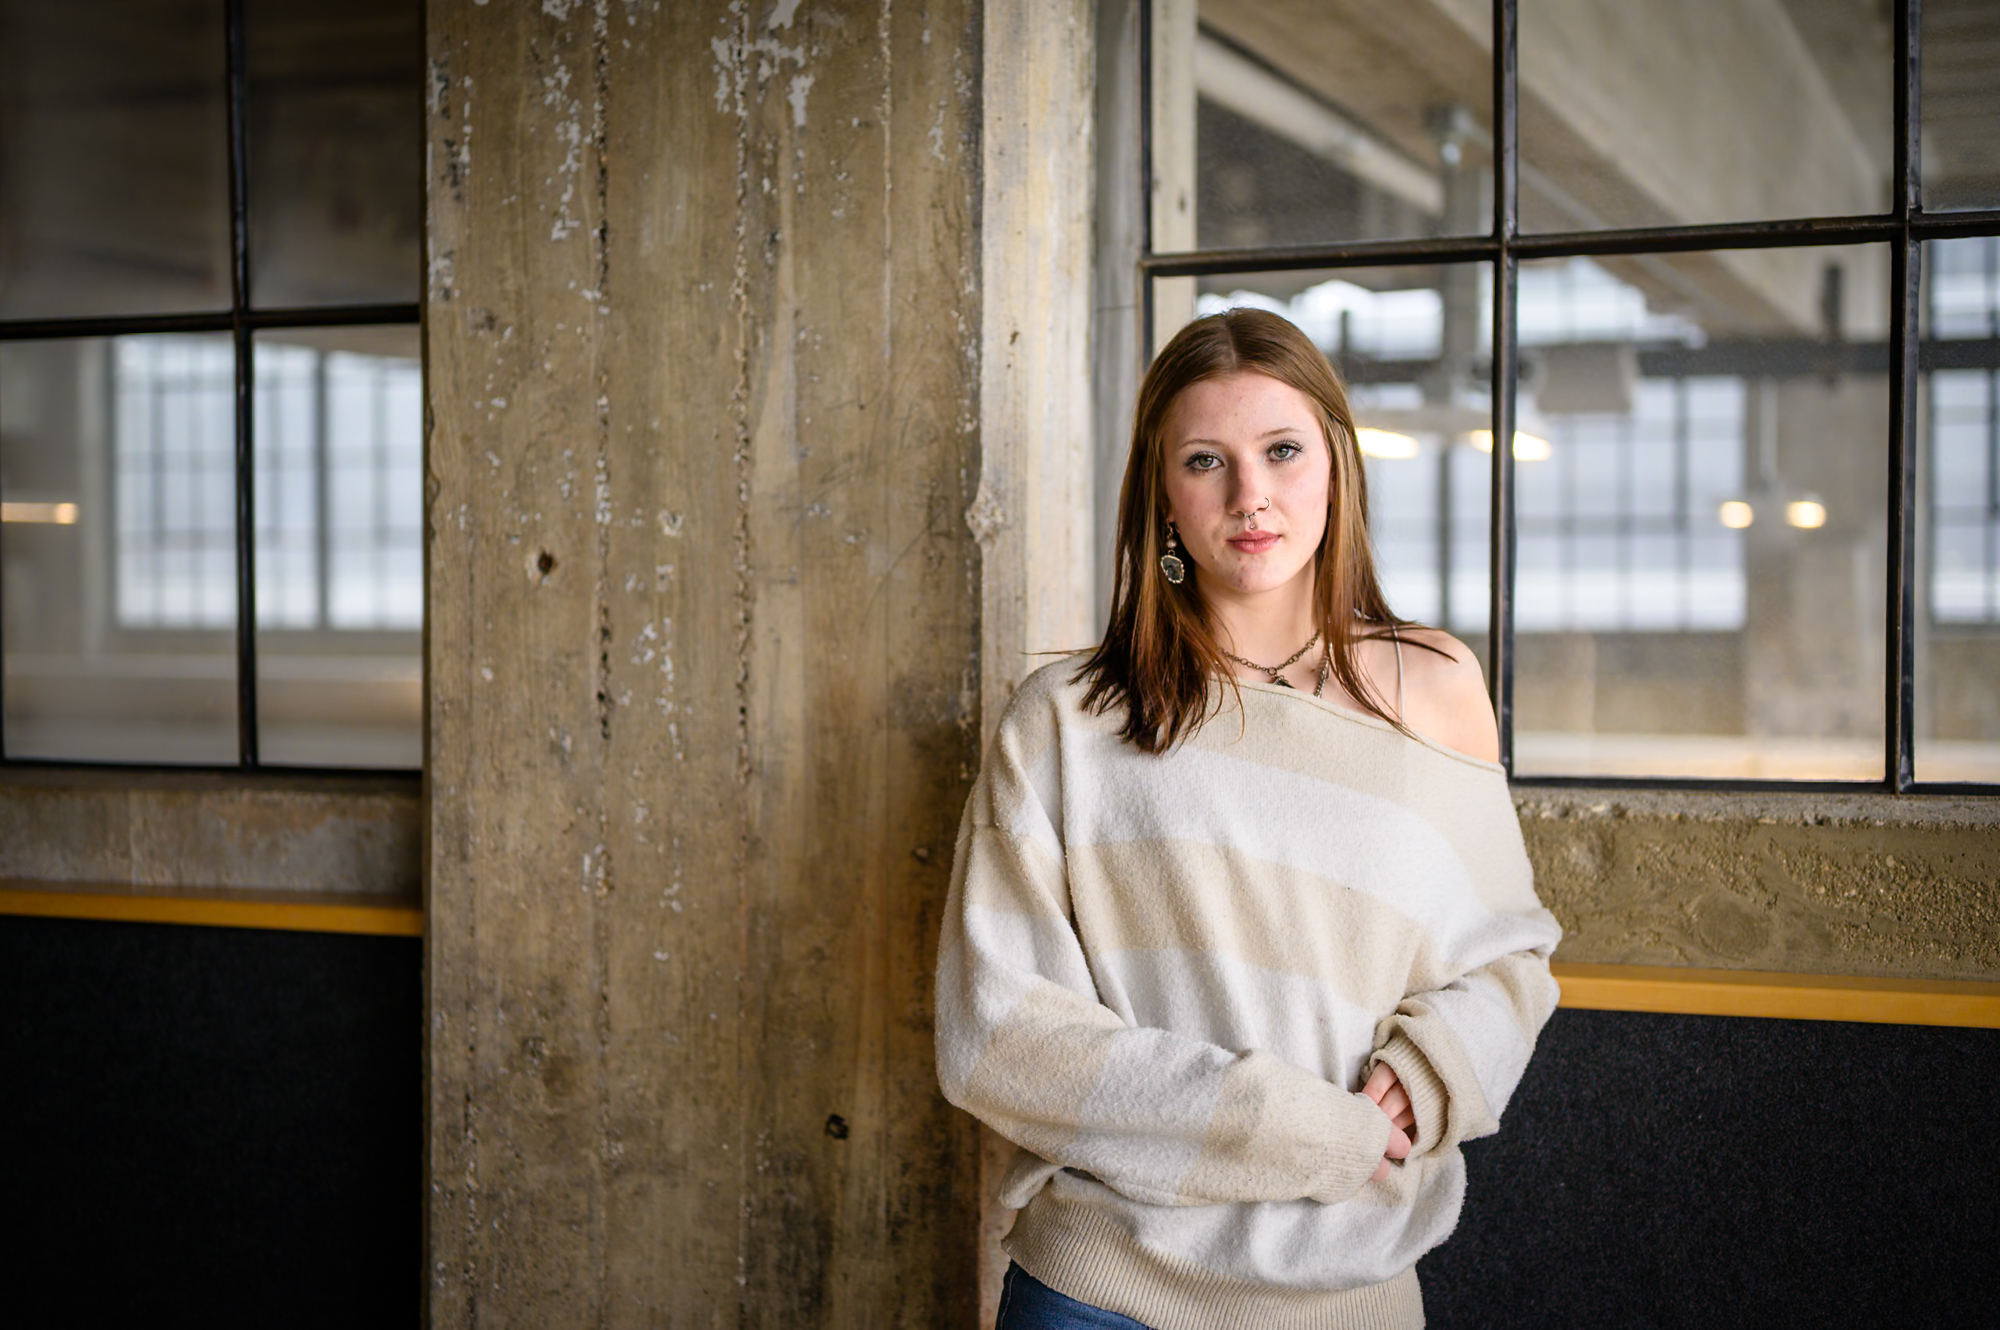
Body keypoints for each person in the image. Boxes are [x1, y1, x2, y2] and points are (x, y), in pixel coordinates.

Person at [934, 307, 1562, 1329]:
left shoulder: (1433, 686)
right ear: (1161, 497)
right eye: (1202, 460)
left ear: (1334, 468)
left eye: (1280, 450)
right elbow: (997, 1034)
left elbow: (1505, 956)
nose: (1249, 495)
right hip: (1105, 1286)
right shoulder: (1064, 722)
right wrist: (1305, 1128)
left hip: (1345, 1282)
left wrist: (1432, 1067)